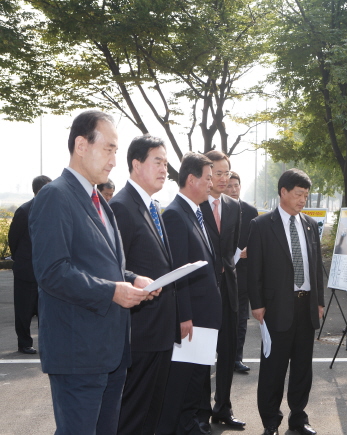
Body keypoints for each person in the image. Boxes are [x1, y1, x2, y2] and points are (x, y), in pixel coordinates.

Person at [28, 110, 158, 434]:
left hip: (110, 352)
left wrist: (131, 279)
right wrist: (113, 291)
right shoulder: (55, 196)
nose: (115, 159)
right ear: (81, 145)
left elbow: (104, 266)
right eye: (109, 148)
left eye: (116, 150)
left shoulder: (99, 201)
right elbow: (52, 272)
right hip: (78, 354)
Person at [247, 168, 325, 435]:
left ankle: (298, 418)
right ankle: (271, 421)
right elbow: (254, 269)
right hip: (276, 306)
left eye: (306, 195)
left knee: (303, 367)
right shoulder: (261, 225)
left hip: (306, 306)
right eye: (298, 194)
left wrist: (320, 301)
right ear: (283, 192)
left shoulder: (310, 225)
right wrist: (256, 304)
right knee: (273, 369)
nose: (303, 200)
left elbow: (316, 268)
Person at [109, 135, 178, 434]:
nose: (164, 169)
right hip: (140, 332)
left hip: (159, 330)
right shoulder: (122, 207)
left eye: (166, 162)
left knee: (152, 412)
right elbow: (112, 265)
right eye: (157, 162)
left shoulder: (152, 206)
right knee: (133, 415)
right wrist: (135, 278)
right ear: (137, 165)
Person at [157, 152, 222, 435]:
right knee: (183, 383)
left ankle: (190, 426)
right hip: (191, 320)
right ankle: (180, 428)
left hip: (205, 317)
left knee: (197, 380)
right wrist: (185, 316)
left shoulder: (195, 212)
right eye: (208, 178)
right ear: (192, 179)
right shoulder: (174, 214)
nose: (211, 184)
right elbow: (178, 271)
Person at [200, 150, 245, 427]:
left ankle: (223, 409)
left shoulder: (233, 206)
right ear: (206, 174)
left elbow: (232, 250)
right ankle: (199, 412)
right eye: (218, 173)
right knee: (202, 356)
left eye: (226, 173)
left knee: (227, 354)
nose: (223, 179)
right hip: (203, 290)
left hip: (229, 289)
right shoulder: (195, 205)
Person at [8, 175, 52, 354]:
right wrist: (23, 258)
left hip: (47, 271)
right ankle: (24, 343)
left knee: (46, 312)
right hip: (26, 271)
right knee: (24, 311)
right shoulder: (24, 211)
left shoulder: (53, 210)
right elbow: (14, 239)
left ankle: (47, 344)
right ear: (39, 191)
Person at [225, 171, 258, 373]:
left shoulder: (250, 211)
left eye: (236, 185)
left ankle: (237, 358)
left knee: (241, 319)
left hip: (244, 274)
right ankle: (222, 354)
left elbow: (259, 242)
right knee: (223, 318)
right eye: (229, 185)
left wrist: (250, 251)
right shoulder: (216, 209)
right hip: (222, 274)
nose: (233, 189)